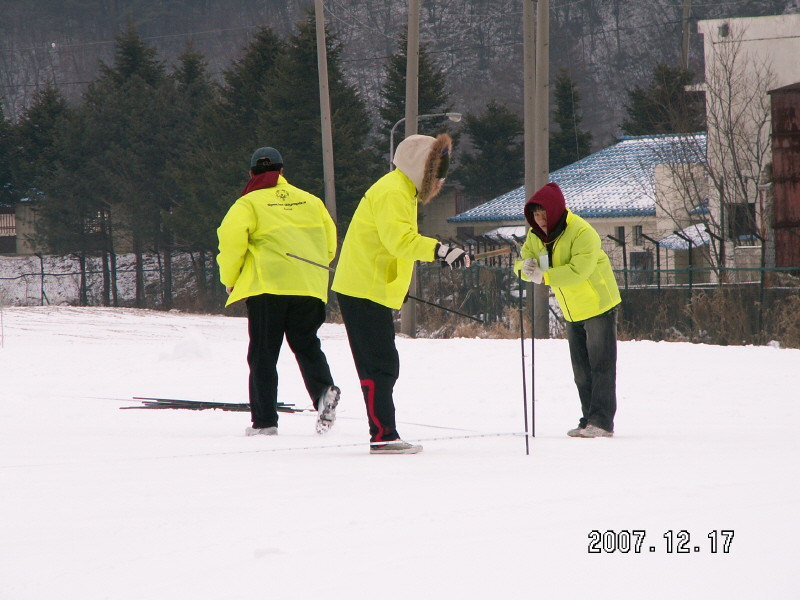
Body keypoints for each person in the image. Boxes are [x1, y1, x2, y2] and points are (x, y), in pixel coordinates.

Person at [332, 133, 469, 454]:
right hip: (363, 290)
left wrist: (443, 255)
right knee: (380, 365)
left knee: (379, 364)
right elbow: (400, 241)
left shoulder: (400, 191)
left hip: (368, 288)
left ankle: (383, 433)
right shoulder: (393, 192)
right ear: (420, 166)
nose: (440, 178)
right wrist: (440, 250)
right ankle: (383, 435)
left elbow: (391, 245)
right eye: (436, 170)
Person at [217, 147, 340, 437]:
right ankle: (323, 392)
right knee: (307, 345)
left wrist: (231, 278)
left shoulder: (247, 204)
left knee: (263, 354)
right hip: (309, 286)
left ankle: (264, 422)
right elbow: (330, 243)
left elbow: (231, 242)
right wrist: (314, 269)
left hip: (267, 287)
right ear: (282, 171)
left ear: (251, 173)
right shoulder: (311, 201)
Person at [517, 182, 621, 438]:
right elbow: (521, 263)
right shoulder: (535, 236)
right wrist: (525, 269)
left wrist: (544, 276)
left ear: (555, 212)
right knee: (581, 372)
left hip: (598, 306)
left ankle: (602, 422)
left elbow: (578, 271)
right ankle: (588, 419)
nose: (540, 221)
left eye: (543, 215)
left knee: (601, 367)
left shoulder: (582, 232)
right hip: (572, 310)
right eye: (535, 216)